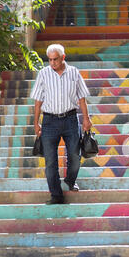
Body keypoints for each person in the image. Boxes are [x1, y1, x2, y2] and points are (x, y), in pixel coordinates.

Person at [30, 44, 93, 204]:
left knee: (75, 156)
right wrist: (36, 123)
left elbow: (82, 98)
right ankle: (56, 195)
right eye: (49, 60)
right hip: (49, 121)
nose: (52, 63)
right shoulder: (43, 74)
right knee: (50, 161)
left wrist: (86, 118)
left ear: (63, 57)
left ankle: (70, 181)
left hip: (70, 119)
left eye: (55, 59)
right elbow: (38, 101)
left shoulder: (74, 73)